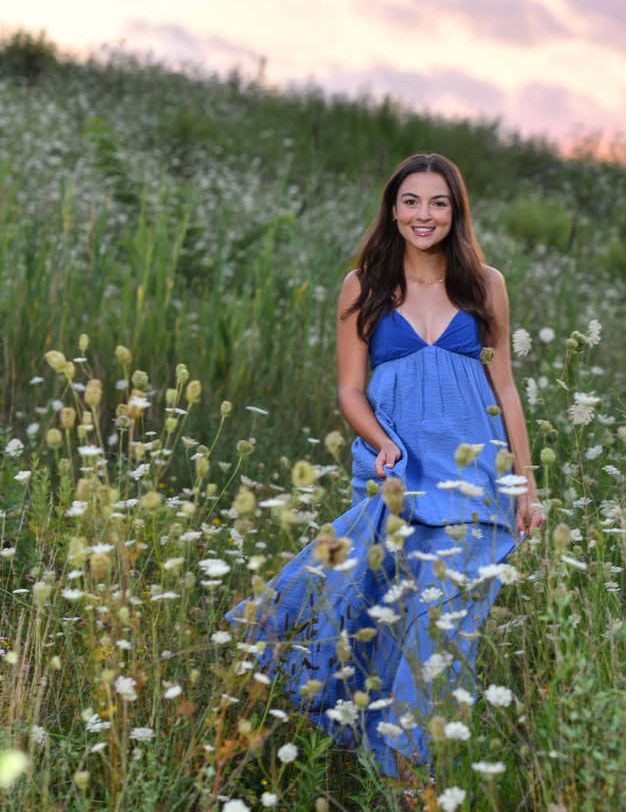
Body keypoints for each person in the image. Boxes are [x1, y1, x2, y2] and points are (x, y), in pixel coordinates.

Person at [226, 152, 543, 780]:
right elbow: (349, 389)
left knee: (437, 646)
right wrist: (382, 442)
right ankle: (372, 773)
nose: (423, 215)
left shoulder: (486, 284)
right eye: (411, 201)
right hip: (394, 481)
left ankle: (409, 782)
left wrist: (525, 486)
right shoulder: (362, 286)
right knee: (373, 629)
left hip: (475, 486)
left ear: (456, 212)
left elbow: (505, 389)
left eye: (438, 203)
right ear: (392, 209)